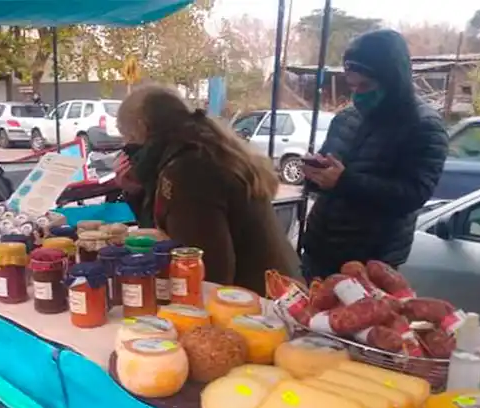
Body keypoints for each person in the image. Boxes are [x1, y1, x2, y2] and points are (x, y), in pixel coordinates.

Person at [115, 85, 300, 295]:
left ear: (142, 127)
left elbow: (207, 272)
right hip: (277, 292)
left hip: (259, 303)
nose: (126, 147)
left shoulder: (189, 170)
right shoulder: (203, 150)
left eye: (127, 137)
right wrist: (138, 192)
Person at [300, 29, 449, 280]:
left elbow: (413, 195)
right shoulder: (347, 118)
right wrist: (316, 174)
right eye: (353, 86)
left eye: (366, 86)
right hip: (319, 251)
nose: (358, 94)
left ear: (392, 81)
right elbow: (330, 175)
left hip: (370, 264)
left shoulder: (423, 126)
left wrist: (344, 181)